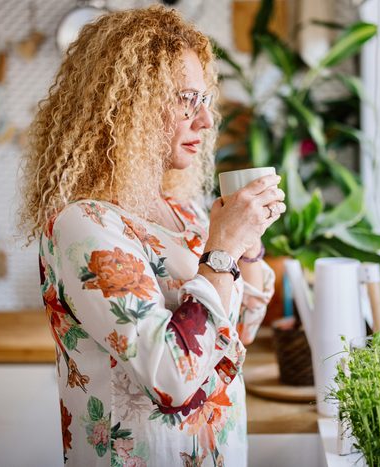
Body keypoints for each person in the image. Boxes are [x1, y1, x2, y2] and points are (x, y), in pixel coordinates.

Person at [18, 6, 285, 466]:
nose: (204, 121)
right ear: (128, 104)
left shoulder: (182, 212)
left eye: (205, 101)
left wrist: (247, 244)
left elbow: (231, 339)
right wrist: (221, 252)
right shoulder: (84, 226)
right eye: (186, 99)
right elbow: (173, 379)